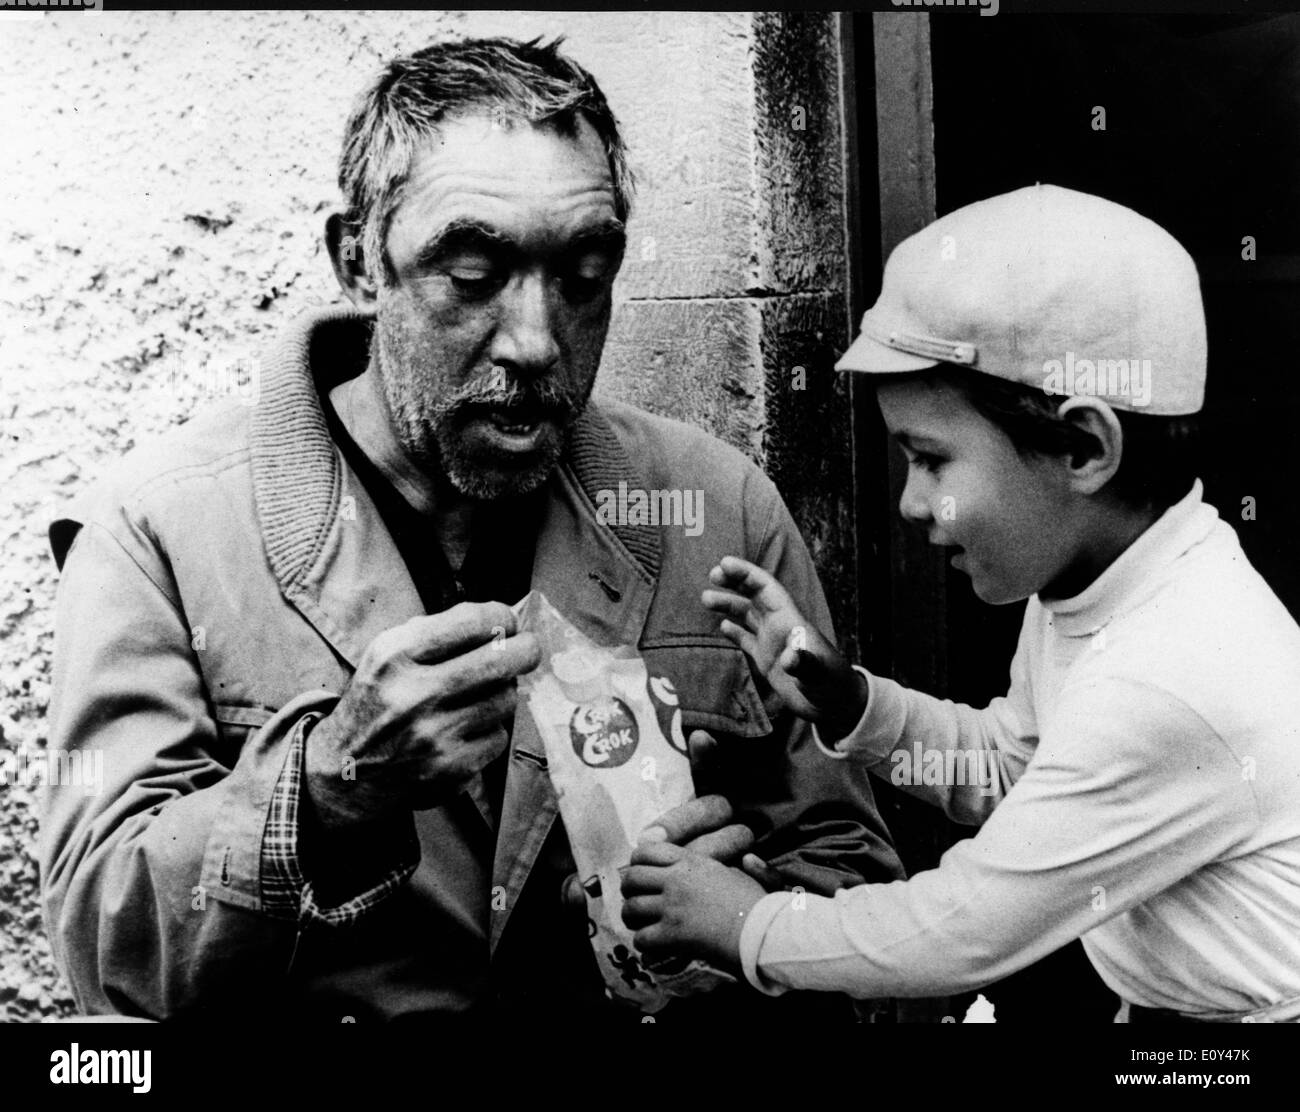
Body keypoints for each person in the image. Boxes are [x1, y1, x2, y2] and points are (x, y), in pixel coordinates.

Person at [39, 35, 902, 1022]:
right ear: (357, 262)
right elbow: (109, 954)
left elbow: (865, 903)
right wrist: (326, 793)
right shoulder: (159, 530)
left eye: (584, 274)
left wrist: (743, 934)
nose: (536, 341)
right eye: (473, 269)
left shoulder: (718, 509)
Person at [621, 185, 1300, 1023]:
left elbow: (959, 931)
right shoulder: (1097, 588)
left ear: (1084, 447)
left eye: (932, 459)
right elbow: (1014, 774)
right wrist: (854, 701)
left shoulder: (1169, 674)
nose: (911, 501)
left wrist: (743, 923)